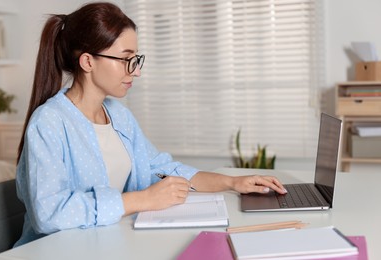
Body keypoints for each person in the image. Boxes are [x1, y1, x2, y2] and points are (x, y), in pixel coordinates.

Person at [15, 2, 287, 247]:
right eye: (126, 59)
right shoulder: (49, 123)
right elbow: (48, 214)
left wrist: (233, 182)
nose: (137, 70)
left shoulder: (118, 116)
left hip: (108, 243)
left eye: (136, 59)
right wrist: (142, 200)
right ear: (87, 61)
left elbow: (163, 169)